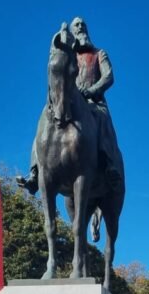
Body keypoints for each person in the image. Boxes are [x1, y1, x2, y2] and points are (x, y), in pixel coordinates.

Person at [16, 16, 122, 195]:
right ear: (72, 32)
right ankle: (34, 171)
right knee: (43, 122)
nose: (80, 27)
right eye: (77, 25)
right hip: (68, 100)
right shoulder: (68, 56)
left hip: (93, 102)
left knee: (103, 120)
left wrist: (93, 90)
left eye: (83, 25)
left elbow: (108, 77)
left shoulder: (99, 53)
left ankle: (109, 163)